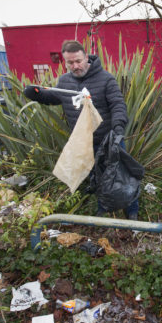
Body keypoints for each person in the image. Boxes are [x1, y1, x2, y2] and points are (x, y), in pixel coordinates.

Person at [23, 40, 139, 220]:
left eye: (78, 61)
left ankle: (132, 213)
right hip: (85, 143)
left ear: (86, 57)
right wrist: (35, 94)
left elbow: (118, 104)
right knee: (97, 178)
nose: (75, 66)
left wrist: (118, 127)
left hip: (110, 139)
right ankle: (103, 212)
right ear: (65, 62)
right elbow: (53, 97)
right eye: (70, 63)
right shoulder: (64, 81)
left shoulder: (105, 79)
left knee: (122, 177)